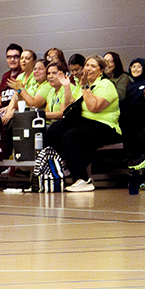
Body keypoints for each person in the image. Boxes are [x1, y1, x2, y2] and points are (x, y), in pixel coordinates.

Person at [44, 55, 123, 192]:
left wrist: (84, 86)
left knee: (71, 136)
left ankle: (83, 179)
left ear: (101, 70)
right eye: (87, 65)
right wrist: (67, 87)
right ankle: (63, 164)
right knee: (56, 128)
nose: (88, 68)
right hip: (86, 123)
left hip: (105, 127)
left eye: (93, 66)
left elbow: (93, 107)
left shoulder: (106, 85)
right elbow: (70, 105)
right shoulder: (86, 85)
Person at [0, 43, 23, 109]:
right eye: (9, 57)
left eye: (15, 57)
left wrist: (9, 108)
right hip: (2, 111)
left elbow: (24, 100)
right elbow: (1, 101)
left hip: (16, 111)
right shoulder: (5, 76)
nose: (12, 59)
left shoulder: (23, 75)